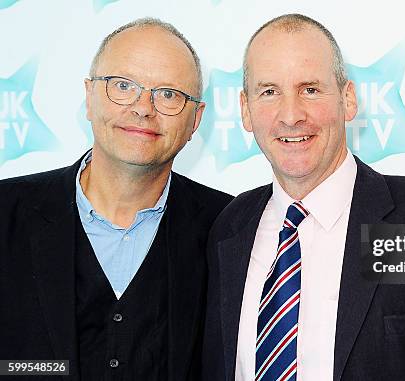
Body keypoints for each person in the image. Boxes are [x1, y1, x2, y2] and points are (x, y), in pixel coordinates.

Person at [202, 13, 405, 381]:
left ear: (348, 99)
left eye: (310, 89)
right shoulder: (229, 227)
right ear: (245, 110)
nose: (291, 115)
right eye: (269, 92)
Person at [0, 18, 233, 380]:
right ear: (89, 97)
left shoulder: (232, 228)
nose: (143, 108)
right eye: (123, 86)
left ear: (195, 120)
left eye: (168, 94)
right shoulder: (5, 212)